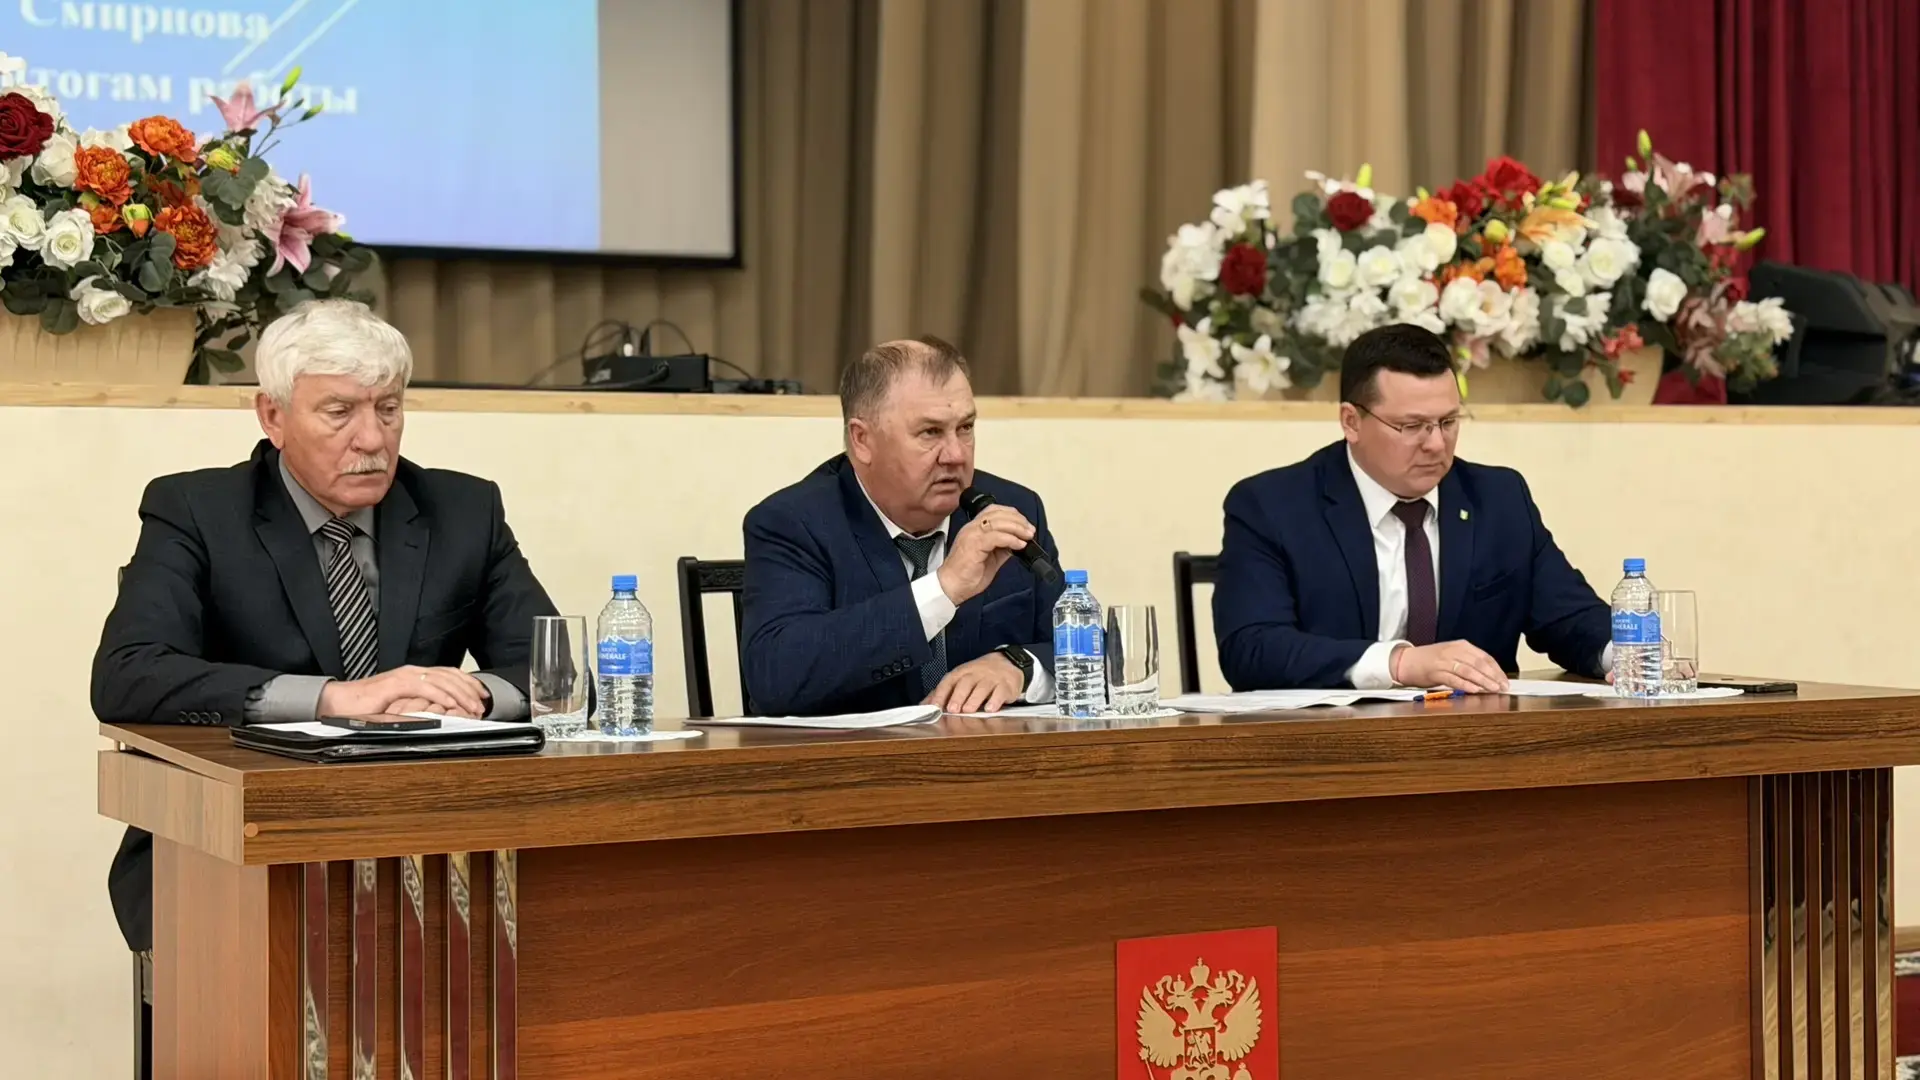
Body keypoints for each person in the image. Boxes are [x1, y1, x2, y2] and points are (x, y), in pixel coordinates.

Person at [93, 299, 561, 955]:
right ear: (273, 416)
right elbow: (128, 674)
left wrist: (471, 695)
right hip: (232, 851)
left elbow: (555, 671)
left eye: (388, 409)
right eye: (340, 412)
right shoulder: (196, 510)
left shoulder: (463, 510)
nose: (372, 439)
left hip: (430, 846)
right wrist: (335, 698)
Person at [1213, 322, 1611, 692]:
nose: (1436, 444)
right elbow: (1252, 648)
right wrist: (1399, 663)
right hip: (1329, 737)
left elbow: (1571, 617)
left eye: (1448, 422)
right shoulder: (1272, 507)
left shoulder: (1498, 499)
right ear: (1351, 421)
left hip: (1476, 735)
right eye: (1412, 426)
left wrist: (1627, 655)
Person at [741, 336, 1067, 716]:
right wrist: (943, 588)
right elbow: (777, 676)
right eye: (930, 432)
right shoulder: (794, 523)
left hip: (988, 751)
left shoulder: (1012, 510)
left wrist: (1019, 667)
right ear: (862, 440)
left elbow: (1088, 647)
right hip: (858, 753)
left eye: (965, 428)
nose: (956, 455)